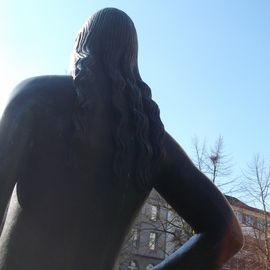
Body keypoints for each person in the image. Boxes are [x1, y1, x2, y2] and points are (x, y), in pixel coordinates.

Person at [0, 8, 243, 270]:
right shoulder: (152, 141)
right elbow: (227, 236)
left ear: (80, 47)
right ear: (132, 61)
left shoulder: (34, 98)